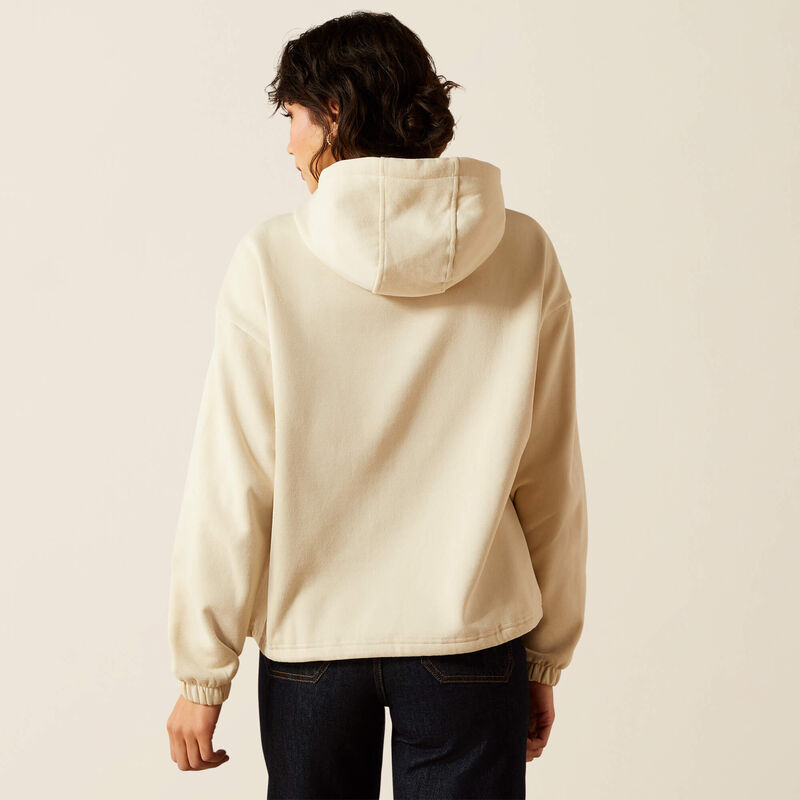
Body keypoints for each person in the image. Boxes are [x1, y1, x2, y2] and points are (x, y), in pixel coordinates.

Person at [166, 11, 588, 799]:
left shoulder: (270, 259)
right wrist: (543, 656)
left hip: (312, 645)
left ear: (335, 112)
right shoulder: (523, 250)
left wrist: (202, 673)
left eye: (293, 117)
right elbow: (550, 471)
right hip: (470, 636)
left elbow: (234, 479)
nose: (289, 144)